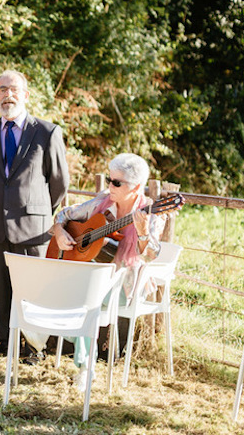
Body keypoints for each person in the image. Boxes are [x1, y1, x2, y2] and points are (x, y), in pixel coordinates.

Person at [0, 69, 70, 358]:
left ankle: (34, 346)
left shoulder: (47, 132)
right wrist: (0, 203)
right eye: (2, 89)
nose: (8, 94)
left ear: (25, 95)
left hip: (34, 226)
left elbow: (59, 182)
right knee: (1, 287)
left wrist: (38, 209)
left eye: (13, 89)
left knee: (32, 288)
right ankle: (6, 342)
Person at [49, 153, 166, 390]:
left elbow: (151, 255)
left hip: (127, 285)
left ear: (135, 188)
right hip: (96, 277)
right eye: (109, 180)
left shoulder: (151, 213)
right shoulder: (103, 202)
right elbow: (65, 214)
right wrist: (60, 232)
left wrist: (143, 232)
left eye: (116, 182)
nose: (108, 186)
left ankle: (85, 367)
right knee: (76, 290)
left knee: (83, 297)